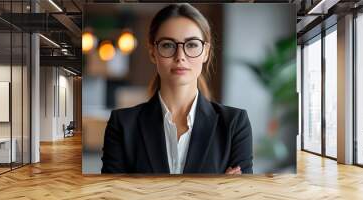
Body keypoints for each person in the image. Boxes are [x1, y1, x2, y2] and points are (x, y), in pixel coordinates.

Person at [101, 3, 253, 174]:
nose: (180, 57)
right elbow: (113, 198)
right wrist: (216, 188)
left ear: (206, 52)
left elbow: (240, 198)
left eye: (192, 45)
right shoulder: (122, 124)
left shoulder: (234, 124)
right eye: (168, 45)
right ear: (152, 52)